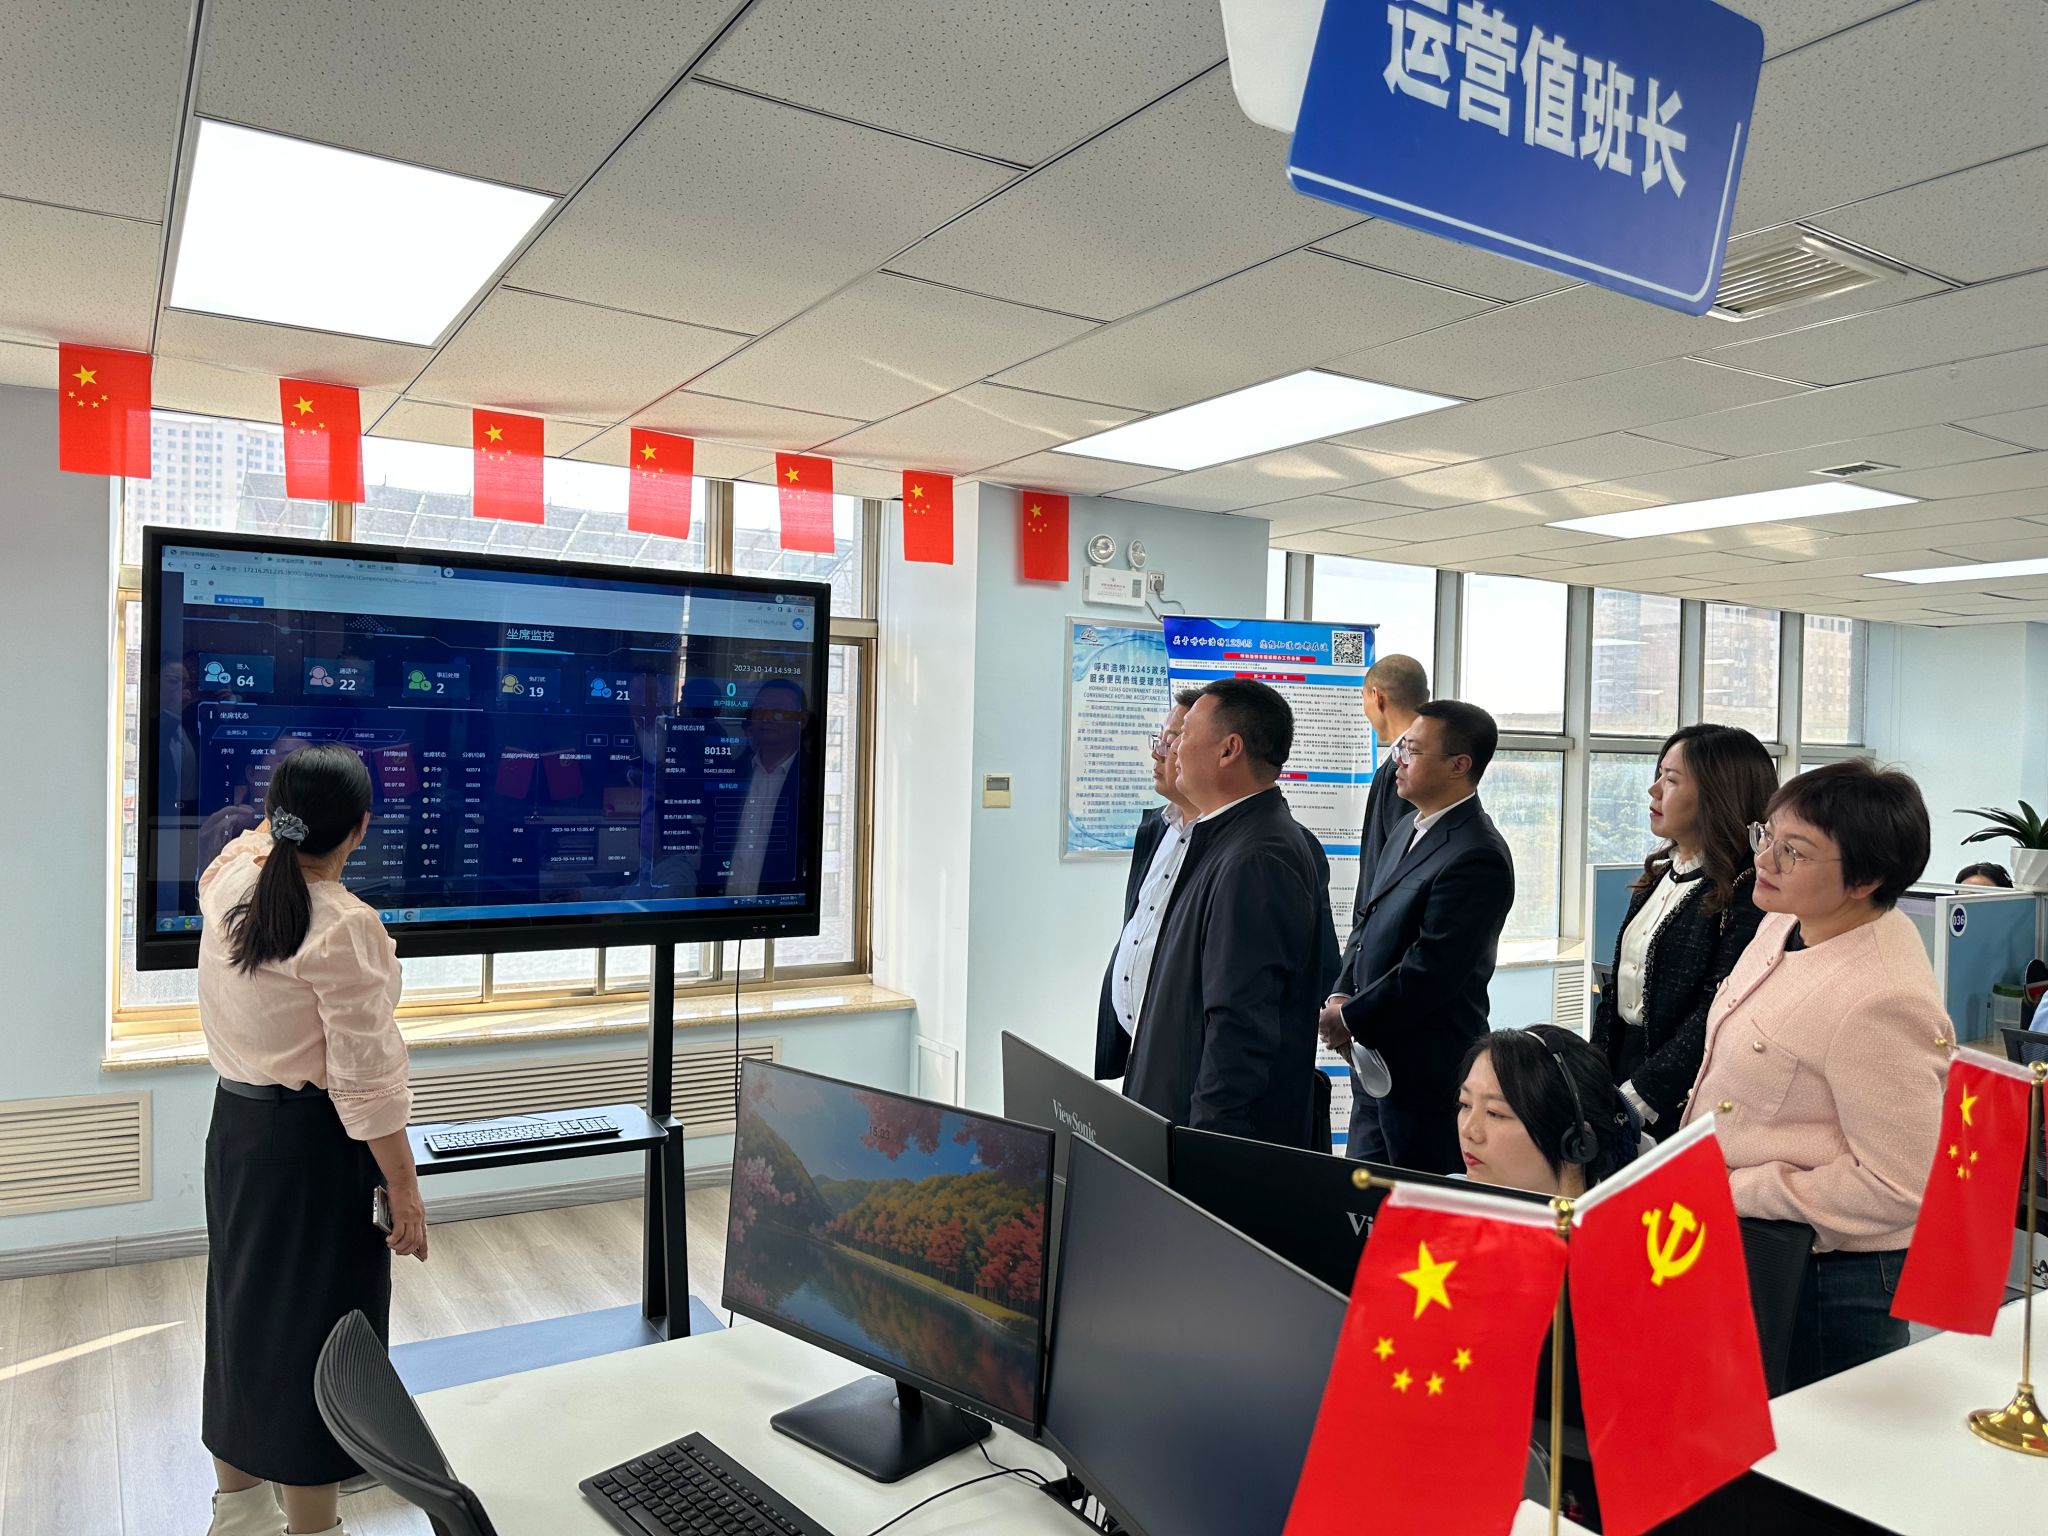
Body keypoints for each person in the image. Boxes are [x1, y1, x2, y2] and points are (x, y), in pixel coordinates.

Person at [197, 744, 427, 1536]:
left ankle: (239, 1514)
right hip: (313, 1149)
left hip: (237, 1132)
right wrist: (404, 1187)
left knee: (240, 1313)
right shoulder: (344, 926)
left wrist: (275, 814)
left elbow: (250, 842)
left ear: (273, 815)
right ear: (361, 829)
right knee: (323, 1333)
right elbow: (367, 1083)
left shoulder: (230, 881)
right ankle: (314, 1529)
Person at [1681, 760, 1948, 1388]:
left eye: (1793, 852)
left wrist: (1739, 1189)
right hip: (1752, 1239)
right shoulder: (1785, 923)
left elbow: (1902, 1185)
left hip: (1827, 1278)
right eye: (1767, 835)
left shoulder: (1881, 997)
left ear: (1866, 880)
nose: (1764, 860)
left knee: (1812, 1441)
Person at [1125, 679, 1336, 1146]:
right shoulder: (1223, 838)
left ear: (1228, 749)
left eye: (1185, 734)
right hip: (1174, 1121)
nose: (1173, 749)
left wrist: (1205, 1147)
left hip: (1207, 1141)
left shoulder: (1257, 857)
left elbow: (1240, 1028)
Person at [1320, 701, 1515, 1174]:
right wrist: (1342, 990)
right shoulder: (1409, 827)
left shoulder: (1477, 854)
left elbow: (1432, 969)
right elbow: (1366, 918)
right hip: (1374, 1066)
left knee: (1416, 1203)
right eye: (1401, 748)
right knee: (1359, 1200)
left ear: (1458, 765)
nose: (1398, 761)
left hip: (1425, 1076)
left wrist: (1350, 1017)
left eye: (1412, 751)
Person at [1589, 725, 1777, 1139]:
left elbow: (1716, 1009)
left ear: (1717, 794)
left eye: (1671, 780)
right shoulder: (1660, 876)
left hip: (1680, 1096)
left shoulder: (1747, 892)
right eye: (1658, 774)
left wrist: (1641, 1095)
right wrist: (1590, 1076)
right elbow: (1616, 994)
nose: (1653, 790)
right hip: (1622, 1073)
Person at [1334, 654, 1429, 1158]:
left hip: (1389, 1000)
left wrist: (1356, 995)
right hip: (1378, 992)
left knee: (1384, 1155)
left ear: (1376, 697)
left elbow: (1384, 892)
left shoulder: (1402, 774)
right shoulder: (1406, 769)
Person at [1095, 689, 1201, 1081]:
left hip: (1184, 1058)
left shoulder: (1231, 845)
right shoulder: (1157, 827)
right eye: (1160, 740)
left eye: (1171, 742)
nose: (1158, 754)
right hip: (1134, 1045)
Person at [1457, 1025, 1637, 1197]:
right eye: (1465, 1104)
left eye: (1494, 1113)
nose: (1468, 1131)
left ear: (1576, 1140)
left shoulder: (1627, 1217)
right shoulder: (1446, 1197)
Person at [719, 678, 808, 896]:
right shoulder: (733, 772)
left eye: (779, 710)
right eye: (760, 709)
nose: (767, 717)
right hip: (720, 904)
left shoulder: (811, 778)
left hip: (778, 905)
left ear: (802, 720)